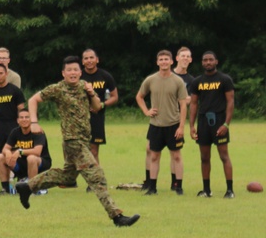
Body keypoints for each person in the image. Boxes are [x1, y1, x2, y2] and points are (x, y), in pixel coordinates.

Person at [16, 56, 140, 227]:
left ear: (80, 72)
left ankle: (28, 186)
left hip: (83, 139)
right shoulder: (58, 89)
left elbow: (97, 107)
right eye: (69, 70)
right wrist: (34, 122)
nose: (73, 73)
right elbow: (33, 100)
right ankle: (117, 217)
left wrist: (91, 93)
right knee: (97, 176)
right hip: (72, 141)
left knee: (67, 178)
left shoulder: (84, 86)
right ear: (63, 73)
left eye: (75, 70)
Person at [136, 50, 189, 195]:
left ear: (172, 62)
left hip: (173, 124)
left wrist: (181, 126)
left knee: (176, 156)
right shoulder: (150, 80)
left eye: (166, 59)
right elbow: (139, 96)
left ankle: (178, 186)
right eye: (161, 59)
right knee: (154, 156)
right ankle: (152, 187)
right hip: (156, 125)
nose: (164, 62)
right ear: (157, 62)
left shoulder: (178, 81)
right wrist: (146, 111)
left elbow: (183, 105)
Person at [188, 51, 236, 198]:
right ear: (202, 63)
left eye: (210, 60)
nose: (208, 62)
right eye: (205, 60)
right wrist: (191, 126)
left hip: (219, 121)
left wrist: (226, 125)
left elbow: (230, 102)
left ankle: (229, 190)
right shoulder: (197, 81)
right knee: (204, 158)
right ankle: (206, 190)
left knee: (224, 156)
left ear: (216, 61)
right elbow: (194, 104)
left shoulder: (224, 79)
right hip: (203, 123)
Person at [0, 109, 51, 194]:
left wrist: (20, 151)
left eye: (27, 117)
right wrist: (8, 153)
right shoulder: (15, 132)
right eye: (21, 117)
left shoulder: (37, 131)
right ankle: (5, 189)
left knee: (31, 158)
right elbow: (5, 148)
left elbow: (37, 152)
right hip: (22, 163)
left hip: (40, 162)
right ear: (18, 120)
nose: (24, 119)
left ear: (31, 120)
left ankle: (32, 189)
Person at [81, 49, 118, 166]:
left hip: (97, 117)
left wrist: (102, 105)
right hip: (79, 118)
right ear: (82, 62)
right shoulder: (78, 76)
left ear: (97, 60)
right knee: (77, 150)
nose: (89, 60)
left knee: (93, 150)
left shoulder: (105, 76)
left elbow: (114, 97)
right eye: (86, 58)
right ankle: (72, 178)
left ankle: (96, 181)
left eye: (91, 58)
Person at [0, 64, 26, 146]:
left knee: (13, 151)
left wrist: (22, 125)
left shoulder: (15, 91)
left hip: (13, 124)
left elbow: (21, 109)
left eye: (1, 73)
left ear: (6, 74)